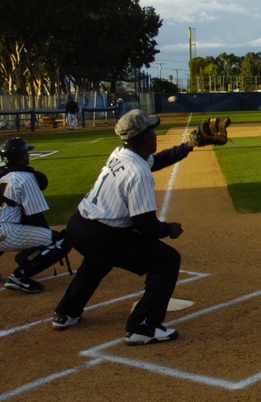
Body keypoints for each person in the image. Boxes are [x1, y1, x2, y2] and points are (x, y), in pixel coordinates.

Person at [52, 109, 196, 345]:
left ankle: (66, 312)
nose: (155, 136)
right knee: (166, 260)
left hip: (78, 225)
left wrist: (189, 145)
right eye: (151, 132)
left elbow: (157, 161)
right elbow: (144, 224)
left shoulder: (122, 153)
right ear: (144, 137)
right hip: (101, 233)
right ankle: (143, 326)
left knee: (97, 259)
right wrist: (168, 229)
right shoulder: (137, 172)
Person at [0, 137, 70, 293]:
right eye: (26, 153)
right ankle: (20, 276)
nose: (28, 156)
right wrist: (43, 241)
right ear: (22, 156)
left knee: (1, 226)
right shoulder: (26, 178)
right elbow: (36, 216)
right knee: (60, 241)